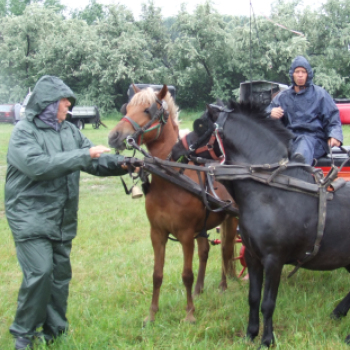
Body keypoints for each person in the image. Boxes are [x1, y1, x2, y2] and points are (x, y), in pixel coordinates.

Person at [5, 76, 140, 350]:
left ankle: (55, 331)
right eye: (64, 102)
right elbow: (39, 166)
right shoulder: (24, 132)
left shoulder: (69, 131)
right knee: (40, 272)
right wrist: (84, 156)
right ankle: (23, 334)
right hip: (29, 215)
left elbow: (95, 159)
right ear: (47, 104)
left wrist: (124, 164)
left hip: (62, 217)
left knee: (59, 276)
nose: (69, 106)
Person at [266, 56, 343, 165]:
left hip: (314, 141)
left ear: (308, 74)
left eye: (303, 72)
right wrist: (270, 114)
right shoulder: (283, 96)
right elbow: (265, 116)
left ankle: (299, 172)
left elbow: (333, 119)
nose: (300, 75)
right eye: (297, 72)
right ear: (292, 74)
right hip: (291, 140)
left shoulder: (320, 95)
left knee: (304, 142)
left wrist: (334, 135)